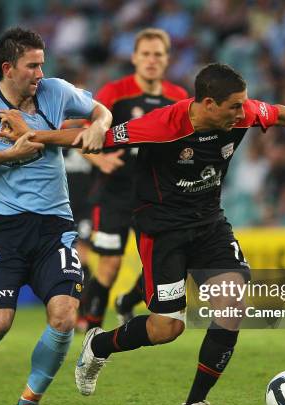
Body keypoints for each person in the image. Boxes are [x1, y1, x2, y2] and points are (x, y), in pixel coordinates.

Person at [0, 63, 285, 405]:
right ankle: (98, 345)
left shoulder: (243, 112)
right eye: (234, 106)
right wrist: (33, 134)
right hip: (162, 231)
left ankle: (195, 404)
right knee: (167, 328)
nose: (243, 113)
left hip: (209, 224)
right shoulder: (164, 124)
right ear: (208, 104)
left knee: (232, 305)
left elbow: (282, 113)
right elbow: (98, 139)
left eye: (245, 104)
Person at [0, 28, 112, 405]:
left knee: (65, 316)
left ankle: (28, 402)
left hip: (56, 225)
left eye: (42, 63)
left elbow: (100, 111)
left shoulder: (55, 91)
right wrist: (5, 156)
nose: (41, 72)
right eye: (32, 65)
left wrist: (100, 125)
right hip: (6, 230)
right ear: (8, 68)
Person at [80, 28, 188, 330]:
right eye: (146, 54)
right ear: (134, 58)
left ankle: (128, 301)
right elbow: (86, 134)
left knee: (163, 265)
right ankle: (92, 334)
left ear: (167, 59)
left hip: (157, 196)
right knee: (110, 265)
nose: (151, 60)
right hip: (115, 193)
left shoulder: (178, 97)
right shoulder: (115, 92)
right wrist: (100, 159)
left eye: (158, 54)